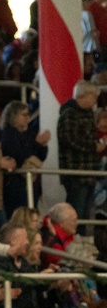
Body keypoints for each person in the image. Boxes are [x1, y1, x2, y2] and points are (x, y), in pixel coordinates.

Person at [58, 80, 101, 224]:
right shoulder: (69, 114)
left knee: (85, 214)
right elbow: (69, 140)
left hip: (88, 170)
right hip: (76, 170)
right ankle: (72, 241)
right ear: (82, 95)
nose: (95, 100)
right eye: (93, 96)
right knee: (75, 212)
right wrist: (92, 147)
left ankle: (82, 240)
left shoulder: (88, 113)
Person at [0, 100, 49, 217]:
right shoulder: (8, 135)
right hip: (16, 184)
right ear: (14, 116)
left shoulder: (29, 134)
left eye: (28, 114)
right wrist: (37, 144)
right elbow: (18, 156)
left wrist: (42, 145)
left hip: (30, 182)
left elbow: (40, 156)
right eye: (24, 114)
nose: (27, 117)